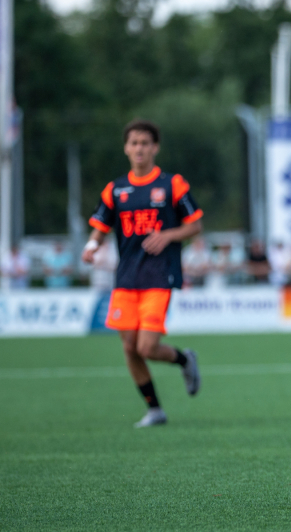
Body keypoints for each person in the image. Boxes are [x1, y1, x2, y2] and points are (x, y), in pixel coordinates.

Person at [82, 119, 203, 428]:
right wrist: (92, 245)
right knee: (128, 347)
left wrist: (169, 235)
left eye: (145, 143)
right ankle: (155, 409)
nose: (139, 148)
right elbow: (100, 225)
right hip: (126, 278)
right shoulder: (115, 189)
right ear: (126, 148)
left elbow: (195, 225)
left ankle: (184, 359)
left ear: (155, 148)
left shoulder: (172, 184)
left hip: (159, 277)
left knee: (146, 347)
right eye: (134, 142)